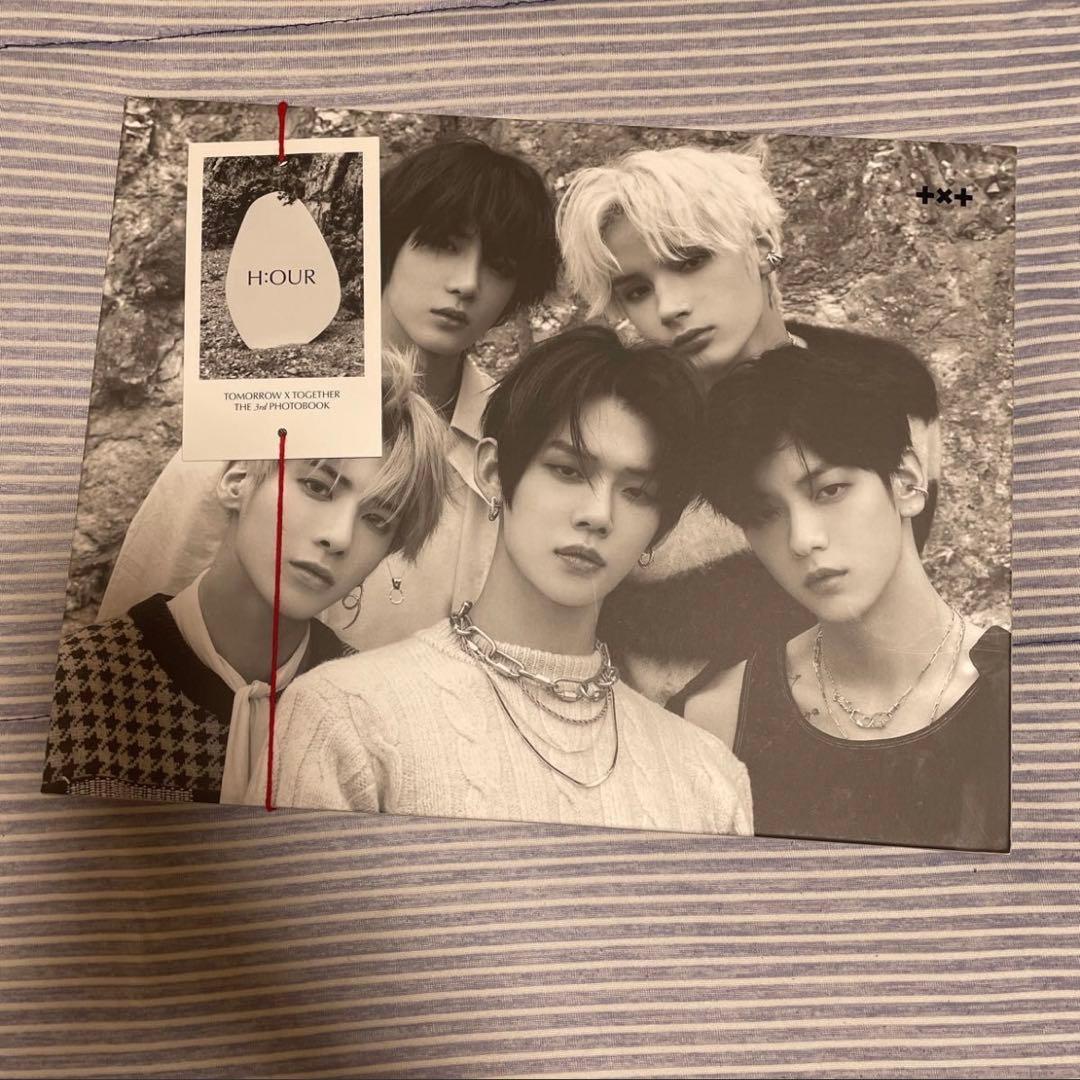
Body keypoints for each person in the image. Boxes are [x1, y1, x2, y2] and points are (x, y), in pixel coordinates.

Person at [245, 326, 753, 837]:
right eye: (568, 471)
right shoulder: (344, 716)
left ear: (659, 529)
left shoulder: (710, 779)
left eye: (638, 493)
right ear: (491, 472)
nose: (599, 515)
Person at [99, 138, 560, 651]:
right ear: (389, 243)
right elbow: (136, 614)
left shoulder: (510, 444)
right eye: (443, 245)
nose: (467, 283)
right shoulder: (269, 397)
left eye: (500, 266)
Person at [555, 143, 942, 702]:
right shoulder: (620, 433)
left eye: (690, 261)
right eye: (637, 291)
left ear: (761, 246)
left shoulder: (888, 386)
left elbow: (889, 590)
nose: (669, 307)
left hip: (848, 721)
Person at [41, 349, 449, 804]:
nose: (339, 536)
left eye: (377, 519)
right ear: (237, 479)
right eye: (318, 486)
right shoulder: (78, 679)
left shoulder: (375, 715)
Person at [674, 345, 1009, 851]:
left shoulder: (1035, 701)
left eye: (829, 490)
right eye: (765, 514)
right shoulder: (715, 718)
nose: (802, 539)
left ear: (908, 481)